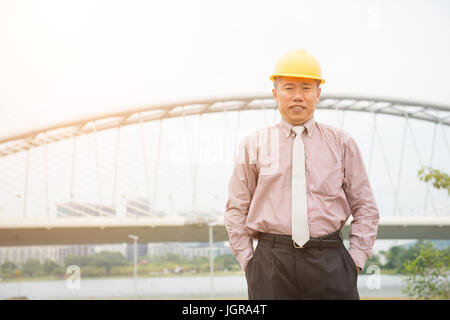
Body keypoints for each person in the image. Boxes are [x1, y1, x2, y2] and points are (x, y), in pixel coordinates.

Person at [224, 49, 380, 300]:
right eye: (289, 88)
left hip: (330, 260)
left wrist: (355, 261)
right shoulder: (253, 144)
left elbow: (365, 206)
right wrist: (248, 263)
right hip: (270, 263)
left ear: (318, 94)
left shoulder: (341, 143)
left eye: (306, 88)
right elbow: (236, 209)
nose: (298, 96)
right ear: (275, 94)